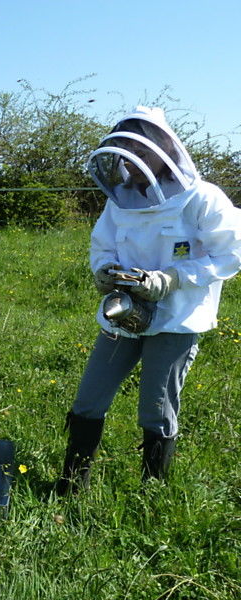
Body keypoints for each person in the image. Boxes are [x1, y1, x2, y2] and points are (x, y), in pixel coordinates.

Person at [56, 106, 241, 494]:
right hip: (122, 312)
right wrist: (104, 270)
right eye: (120, 146)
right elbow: (101, 244)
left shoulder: (202, 198)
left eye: (134, 146)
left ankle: (151, 491)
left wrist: (174, 278)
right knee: (89, 397)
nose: (127, 157)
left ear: (163, 148)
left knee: (156, 407)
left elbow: (231, 254)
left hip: (176, 317)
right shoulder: (119, 198)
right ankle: (72, 484)